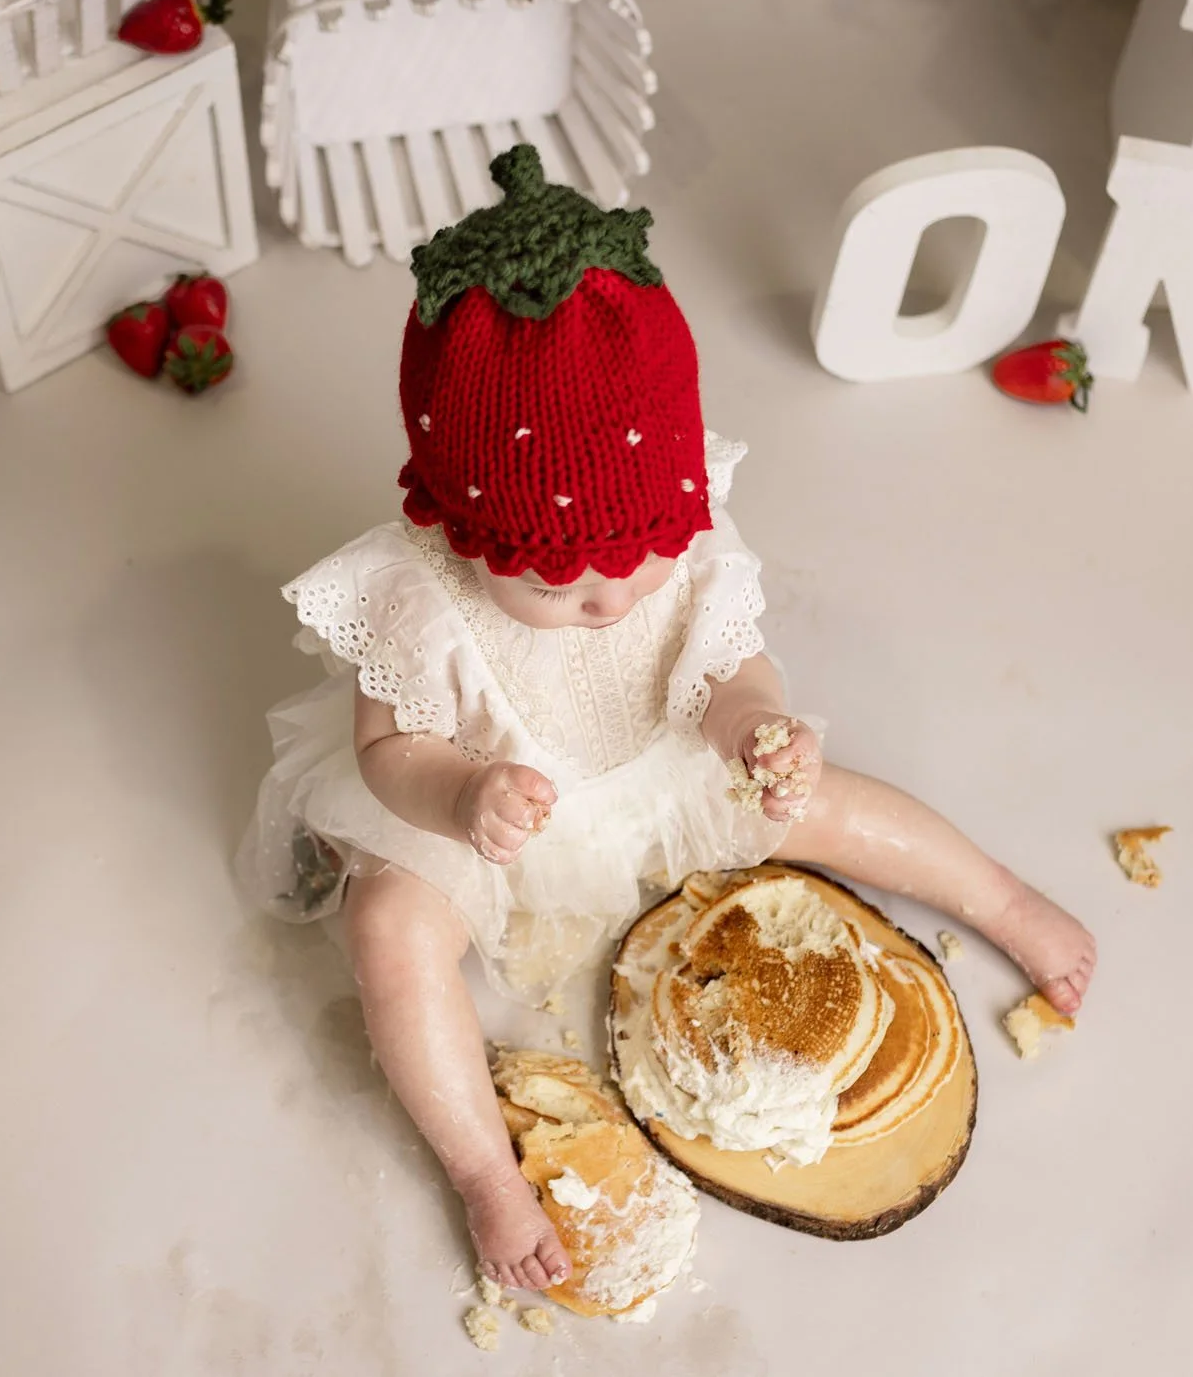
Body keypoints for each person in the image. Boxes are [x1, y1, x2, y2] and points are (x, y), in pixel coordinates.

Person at [240, 146, 1096, 1292]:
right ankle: (484, 1170)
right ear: (457, 527)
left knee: (823, 802)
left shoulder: (680, 536)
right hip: (491, 806)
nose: (608, 599)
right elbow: (387, 749)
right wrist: (456, 793)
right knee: (390, 932)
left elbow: (730, 665)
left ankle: (998, 896)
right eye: (550, 580)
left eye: (637, 555)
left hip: (659, 764)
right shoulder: (418, 595)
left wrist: (755, 729)